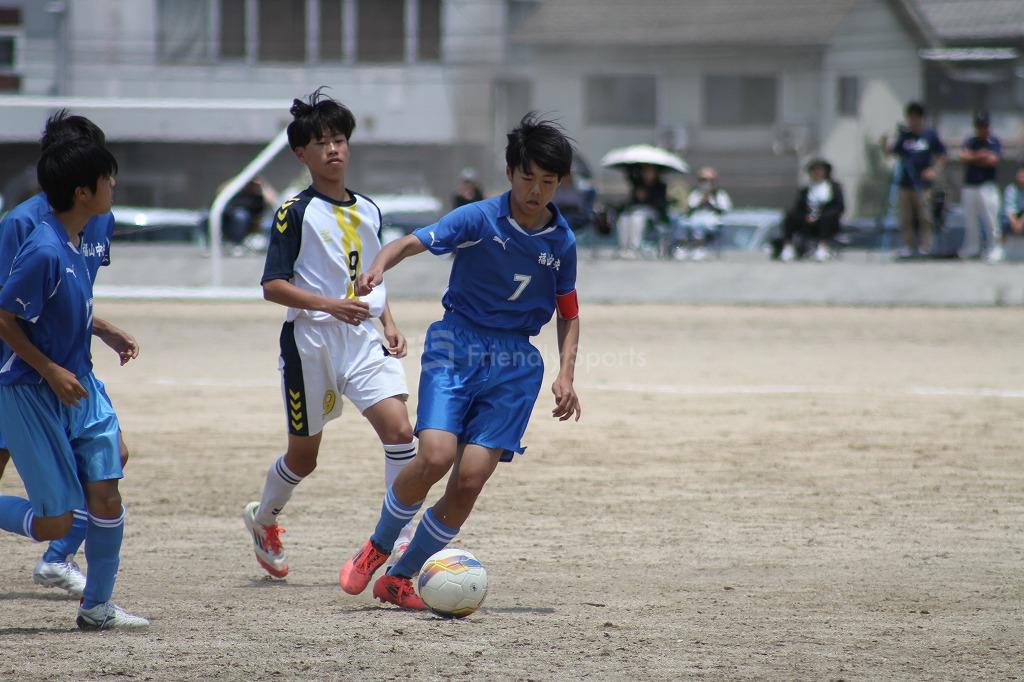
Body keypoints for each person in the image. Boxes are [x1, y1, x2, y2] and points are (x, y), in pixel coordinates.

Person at [337, 113, 582, 610]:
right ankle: (379, 545)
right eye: (528, 178)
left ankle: (400, 578)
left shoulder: (562, 242)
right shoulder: (478, 218)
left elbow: (569, 312)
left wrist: (566, 374)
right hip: (458, 344)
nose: (536, 191)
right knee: (435, 455)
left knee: (470, 479)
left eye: (548, 181)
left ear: (560, 183)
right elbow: (410, 242)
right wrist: (379, 266)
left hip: (516, 363)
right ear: (510, 172)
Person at [242, 88, 417, 580]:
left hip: (362, 340)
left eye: (339, 140)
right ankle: (264, 519)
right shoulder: (293, 212)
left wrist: (388, 321)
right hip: (311, 343)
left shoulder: (369, 210)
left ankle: (400, 540)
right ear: (302, 154)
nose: (333, 149)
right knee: (304, 458)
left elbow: (371, 275)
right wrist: (329, 304)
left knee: (401, 432)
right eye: (321, 143)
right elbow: (272, 286)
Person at [0, 138, 148, 629]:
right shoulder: (42, 247)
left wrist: (98, 333)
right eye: (107, 178)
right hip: (31, 390)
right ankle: (58, 555)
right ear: (83, 192)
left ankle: (96, 608)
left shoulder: (78, 238)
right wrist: (50, 370)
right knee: (55, 522)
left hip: (82, 385)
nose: (114, 185)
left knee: (107, 490)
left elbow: (67, 309)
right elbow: (4, 318)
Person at [882, 102, 947, 258]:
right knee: (906, 216)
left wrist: (934, 170)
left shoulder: (930, 135)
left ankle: (926, 245)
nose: (912, 121)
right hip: (906, 183)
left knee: (924, 216)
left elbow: (942, 155)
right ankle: (908, 245)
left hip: (923, 185)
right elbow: (892, 153)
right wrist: (884, 144)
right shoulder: (905, 137)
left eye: (915, 117)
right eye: (910, 118)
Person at [772, 159, 845, 262]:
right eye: (814, 171)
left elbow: (838, 207)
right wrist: (807, 216)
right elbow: (799, 207)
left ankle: (822, 247)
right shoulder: (806, 190)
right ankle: (788, 247)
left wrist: (820, 216)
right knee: (790, 216)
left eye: (819, 170)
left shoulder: (834, 188)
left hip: (827, 220)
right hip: (807, 220)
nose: (817, 173)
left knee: (826, 218)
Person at [958, 111, 1003, 262]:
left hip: (987, 185)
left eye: (984, 126)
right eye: (979, 126)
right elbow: (963, 157)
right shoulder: (970, 141)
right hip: (970, 185)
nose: (982, 129)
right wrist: (980, 155)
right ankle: (973, 247)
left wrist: (973, 157)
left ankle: (994, 248)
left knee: (991, 219)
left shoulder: (993, 141)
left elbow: (992, 160)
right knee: (970, 219)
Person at [680, 166, 732, 261]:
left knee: (700, 225)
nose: (706, 183)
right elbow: (689, 210)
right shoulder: (696, 194)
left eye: (709, 180)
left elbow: (724, 210)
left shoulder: (719, 194)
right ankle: (682, 248)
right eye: (703, 180)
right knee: (683, 223)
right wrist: (700, 202)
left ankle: (699, 248)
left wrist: (710, 203)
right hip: (696, 218)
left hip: (712, 220)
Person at [617, 163, 667, 258]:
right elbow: (629, 174)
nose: (648, 174)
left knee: (637, 219)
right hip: (635, 210)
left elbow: (661, 204)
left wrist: (647, 197)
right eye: (646, 171)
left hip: (651, 212)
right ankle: (624, 247)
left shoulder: (660, 185)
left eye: (650, 172)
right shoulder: (638, 183)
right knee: (624, 218)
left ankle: (635, 248)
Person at [1003, 166, 1024, 236]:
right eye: (1020, 176)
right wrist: (1014, 223)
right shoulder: (1010, 189)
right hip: (1013, 216)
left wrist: (1020, 223)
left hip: (1022, 217)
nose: (1022, 179)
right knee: (1005, 222)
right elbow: (1008, 209)